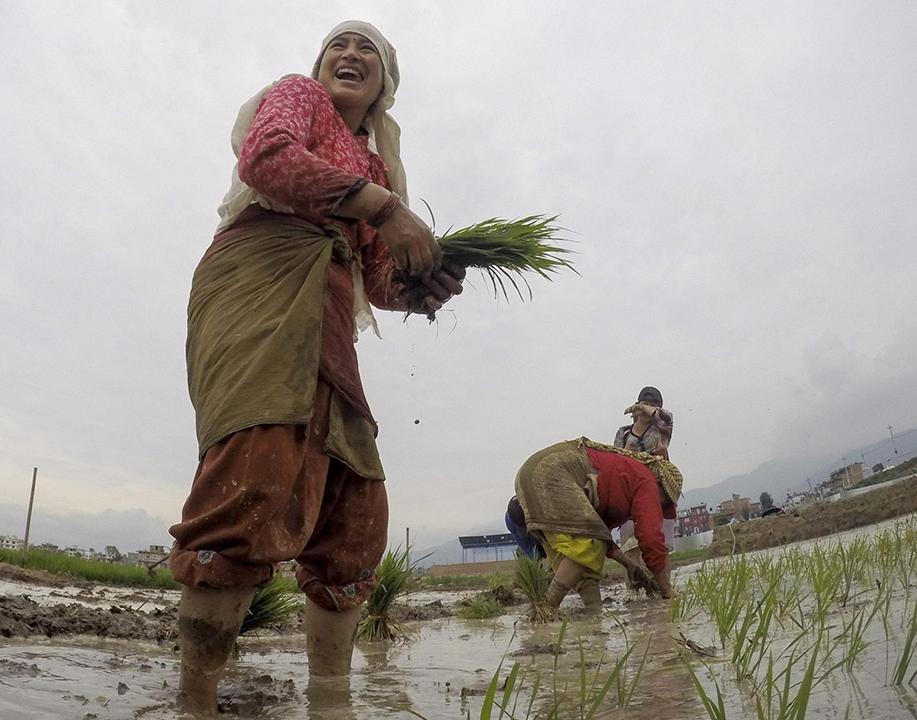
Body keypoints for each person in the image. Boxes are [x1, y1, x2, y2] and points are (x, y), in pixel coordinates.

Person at [168, 21, 464, 716]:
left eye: (368, 51)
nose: (351, 55)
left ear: (385, 85)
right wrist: (385, 209)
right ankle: (194, 702)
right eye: (340, 44)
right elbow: (266, 159)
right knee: (257, 468)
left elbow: (375, 277)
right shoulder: (298, 97)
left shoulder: (375, 166)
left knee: (356, 506)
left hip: (329, 311)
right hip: (262, 277)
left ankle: (331, 702)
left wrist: (421, 289)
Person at [510, 438, 682, 612]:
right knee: (586, 547)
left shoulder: (622, 473)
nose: (659, 506)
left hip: (528, 476)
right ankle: (545, 610)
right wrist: (666, 590)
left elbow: (600, 535)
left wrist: (629, 565)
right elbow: (651, 538)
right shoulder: (646, 480)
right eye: (664, 502)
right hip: (552, 474)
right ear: (662, 488)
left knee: (587, 553)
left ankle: (594, 613)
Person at [614, 386, 676, 569]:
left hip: (658, 491)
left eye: (652, 406)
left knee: (659, 544)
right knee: (630, 546)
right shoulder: (624, 433)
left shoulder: (662, 428)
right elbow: (617, 460)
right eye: (644, 404)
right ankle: (634, 590)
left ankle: (665, 593)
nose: (647, 409)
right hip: (631, 493)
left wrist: (646, 409)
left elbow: (667, 416)